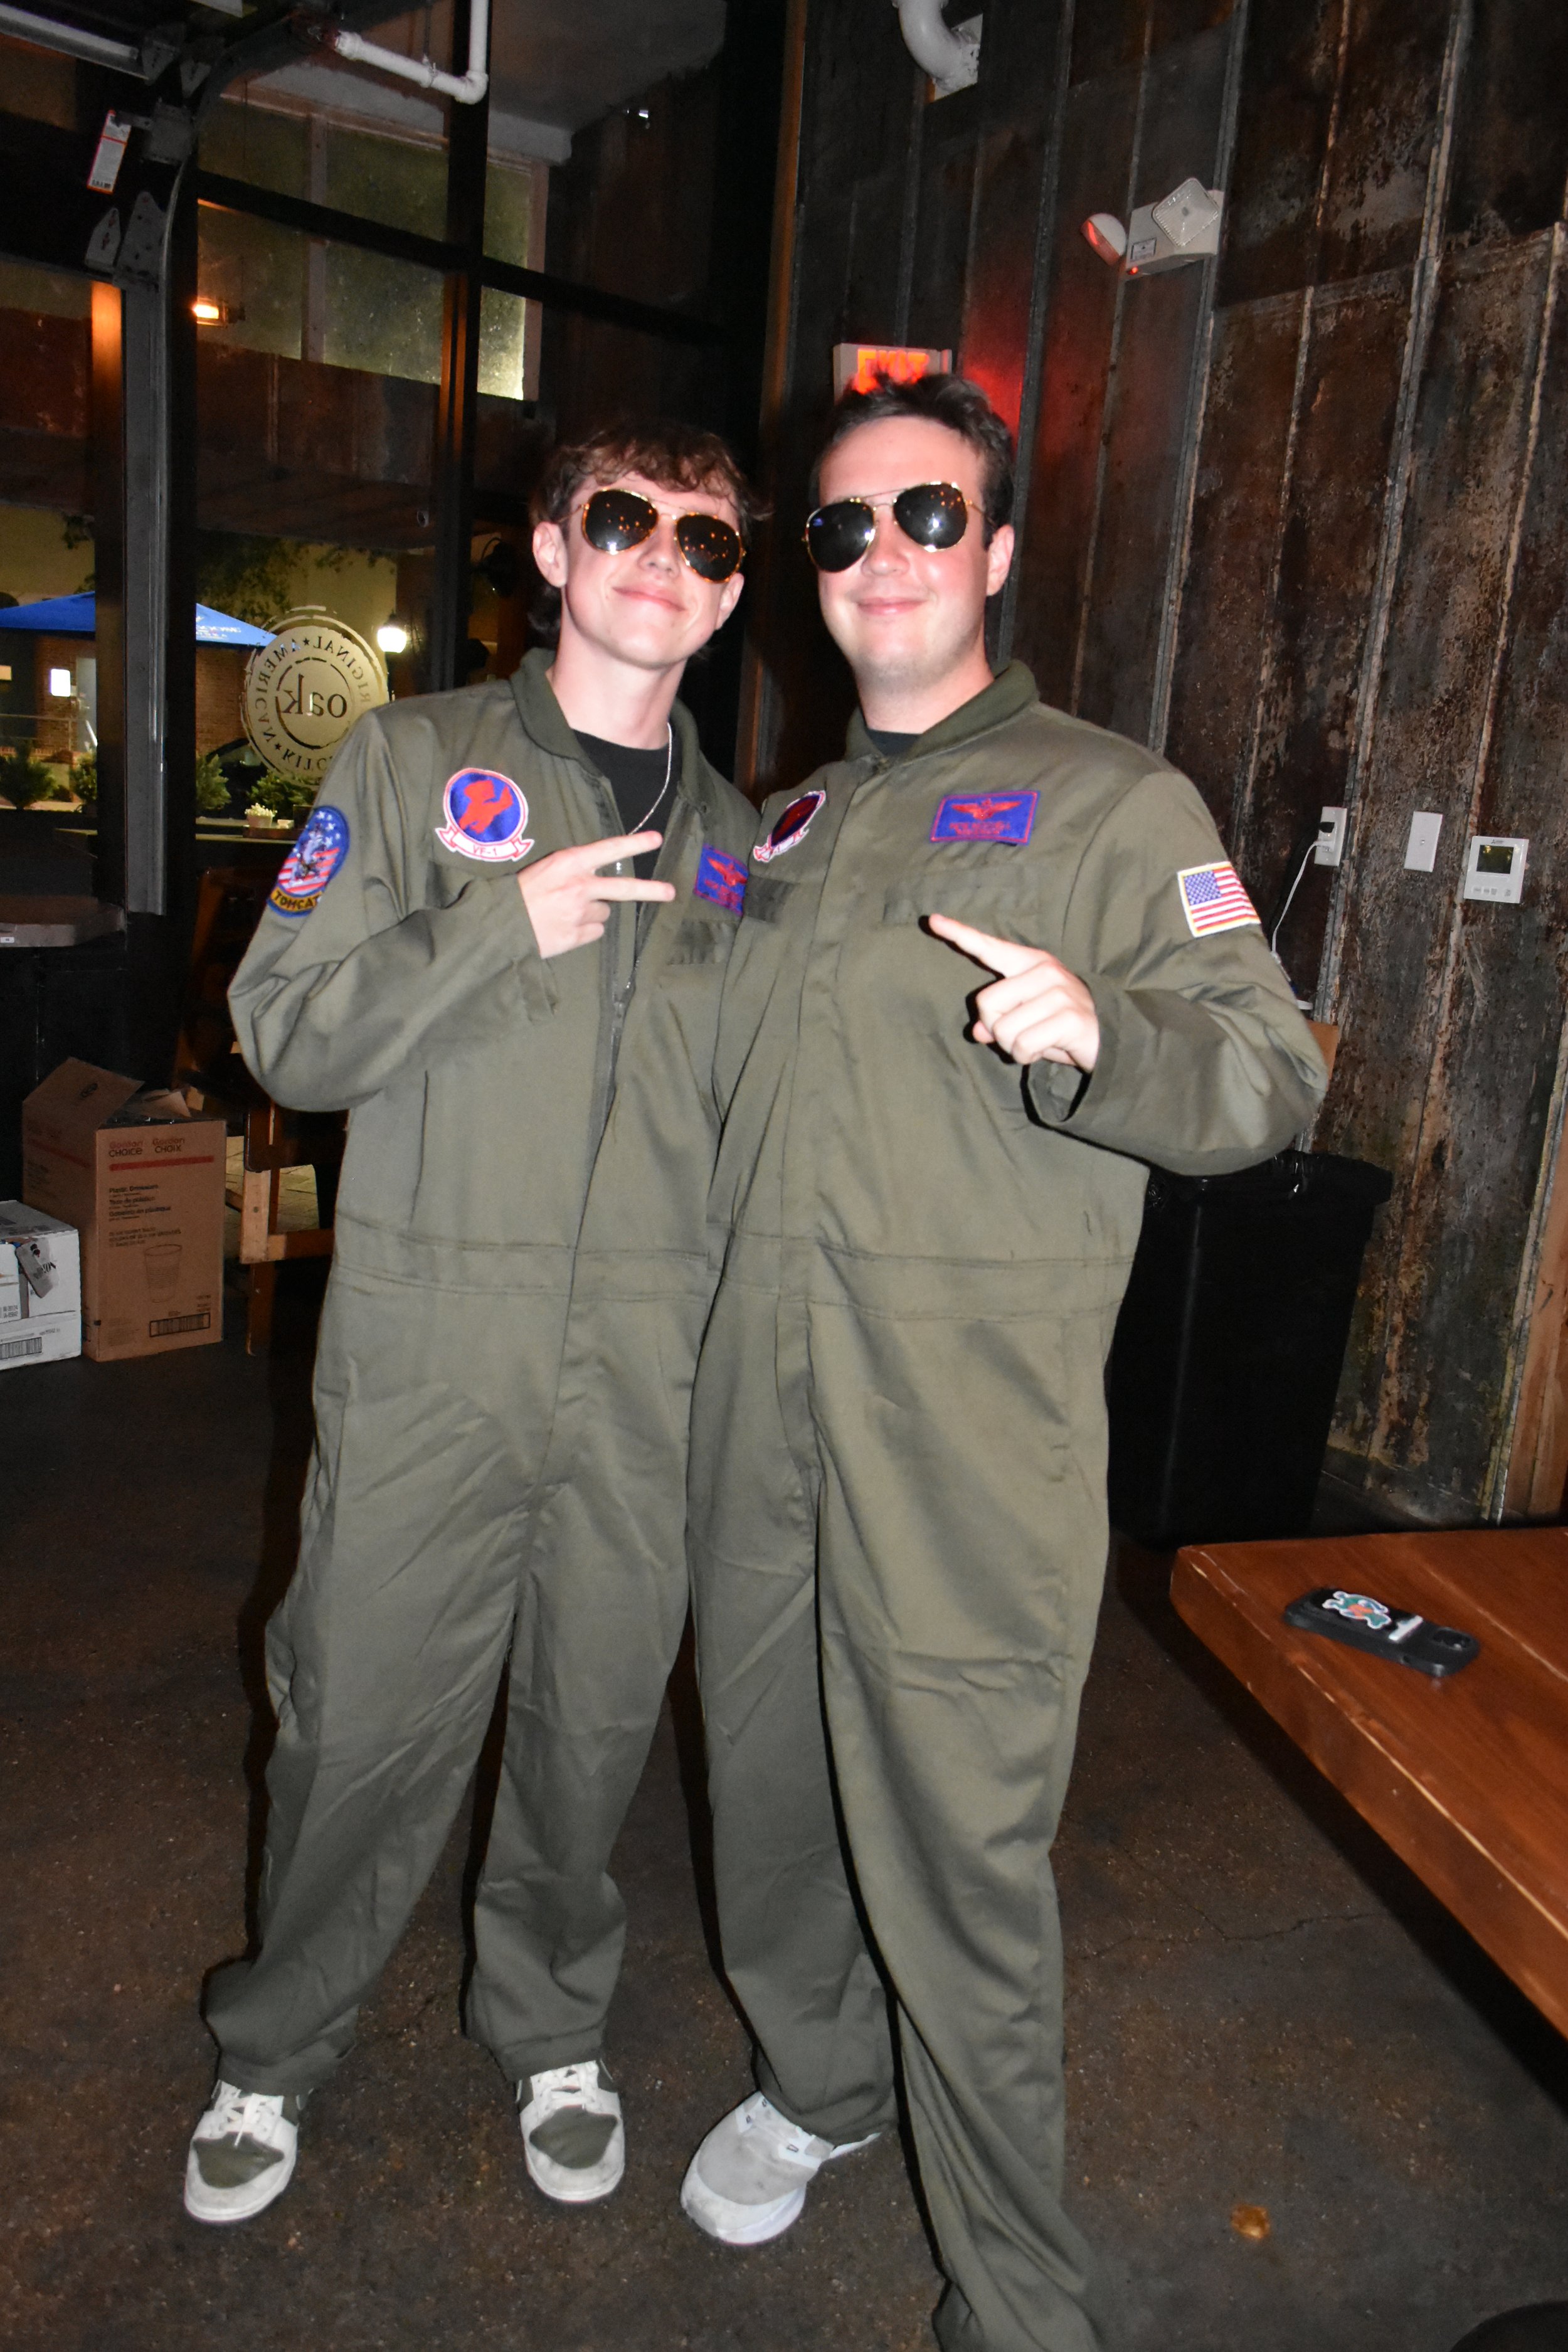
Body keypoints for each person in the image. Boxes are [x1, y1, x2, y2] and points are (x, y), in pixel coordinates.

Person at [677, 374, 1327, 2350]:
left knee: (956, 1862)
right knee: (768, 1793)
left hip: (962, 1439)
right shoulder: (774, 814)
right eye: (842, 526)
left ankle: (1016, 2299)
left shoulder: (1114, 801)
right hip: (747, 1416)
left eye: (926, 516)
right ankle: (819, 2082)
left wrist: (1099, 1036)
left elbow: (1270, 1078)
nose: (882, 553)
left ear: (999, 550)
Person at [186, 420, 760, 2225]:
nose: (662, 555)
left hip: (641, 1382)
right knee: (356, 1722)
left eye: (706, 539)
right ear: (552, 549)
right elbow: (284, 1034)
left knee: (591, 1726)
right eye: (623, 520)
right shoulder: (414, 754)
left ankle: (550, 2025)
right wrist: (495, 923)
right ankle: (275, 2050)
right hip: (439, 1355)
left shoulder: (741, 838)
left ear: (736, 592)